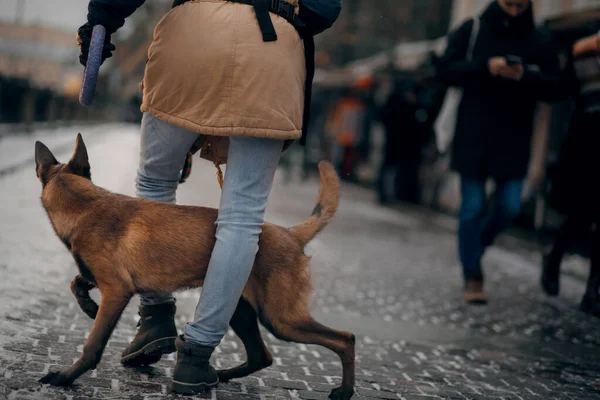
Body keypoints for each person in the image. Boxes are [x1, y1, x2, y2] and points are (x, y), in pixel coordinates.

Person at [77, 0, 341, 394]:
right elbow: (326, 9)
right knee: (243, 216)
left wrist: (101, 21)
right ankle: (196, 354)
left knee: (154, 184)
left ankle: (156, 315)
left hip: (191, 38)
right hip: (269, 51)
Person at [436, 0, 560, 304]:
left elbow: (558, 85)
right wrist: (486, 67)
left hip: (514, 139)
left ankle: (475, 247)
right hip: (473, 135)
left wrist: (525, 76)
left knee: (509, 206)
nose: (515, 10)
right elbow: (445, 70)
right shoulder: (473, 28)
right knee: (472, 207)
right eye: (510, 3)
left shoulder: (539, 37)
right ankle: (473, 275)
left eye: (521, 5)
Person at [541, 31, 600, 317]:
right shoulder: (584, 53)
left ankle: (593, 290)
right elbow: (559, 91)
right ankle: (554, 257)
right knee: (580, 217)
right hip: (586, 148)